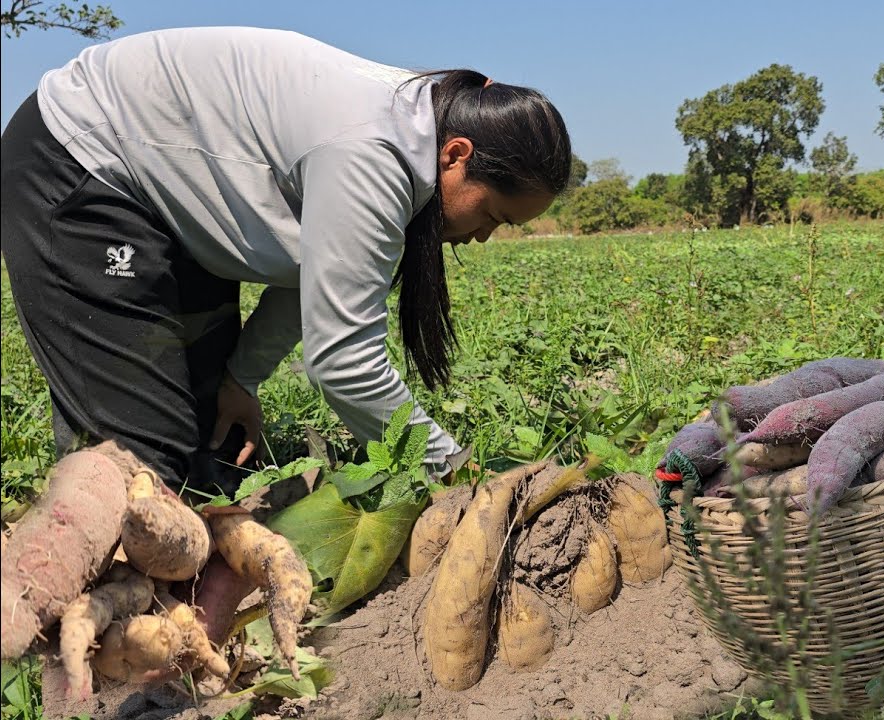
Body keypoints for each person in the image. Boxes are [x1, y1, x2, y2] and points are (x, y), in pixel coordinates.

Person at [0, 26, 573, 493]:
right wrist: (460, 475)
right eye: (494, 215)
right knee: (142, 467)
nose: (483, 237)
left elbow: (314, 277)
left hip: (168, 199)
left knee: (215, 450)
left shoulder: (413, 139)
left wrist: (239, 379)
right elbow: (345, 362)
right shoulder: (375, 153)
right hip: (81, 162)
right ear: (456, 155)